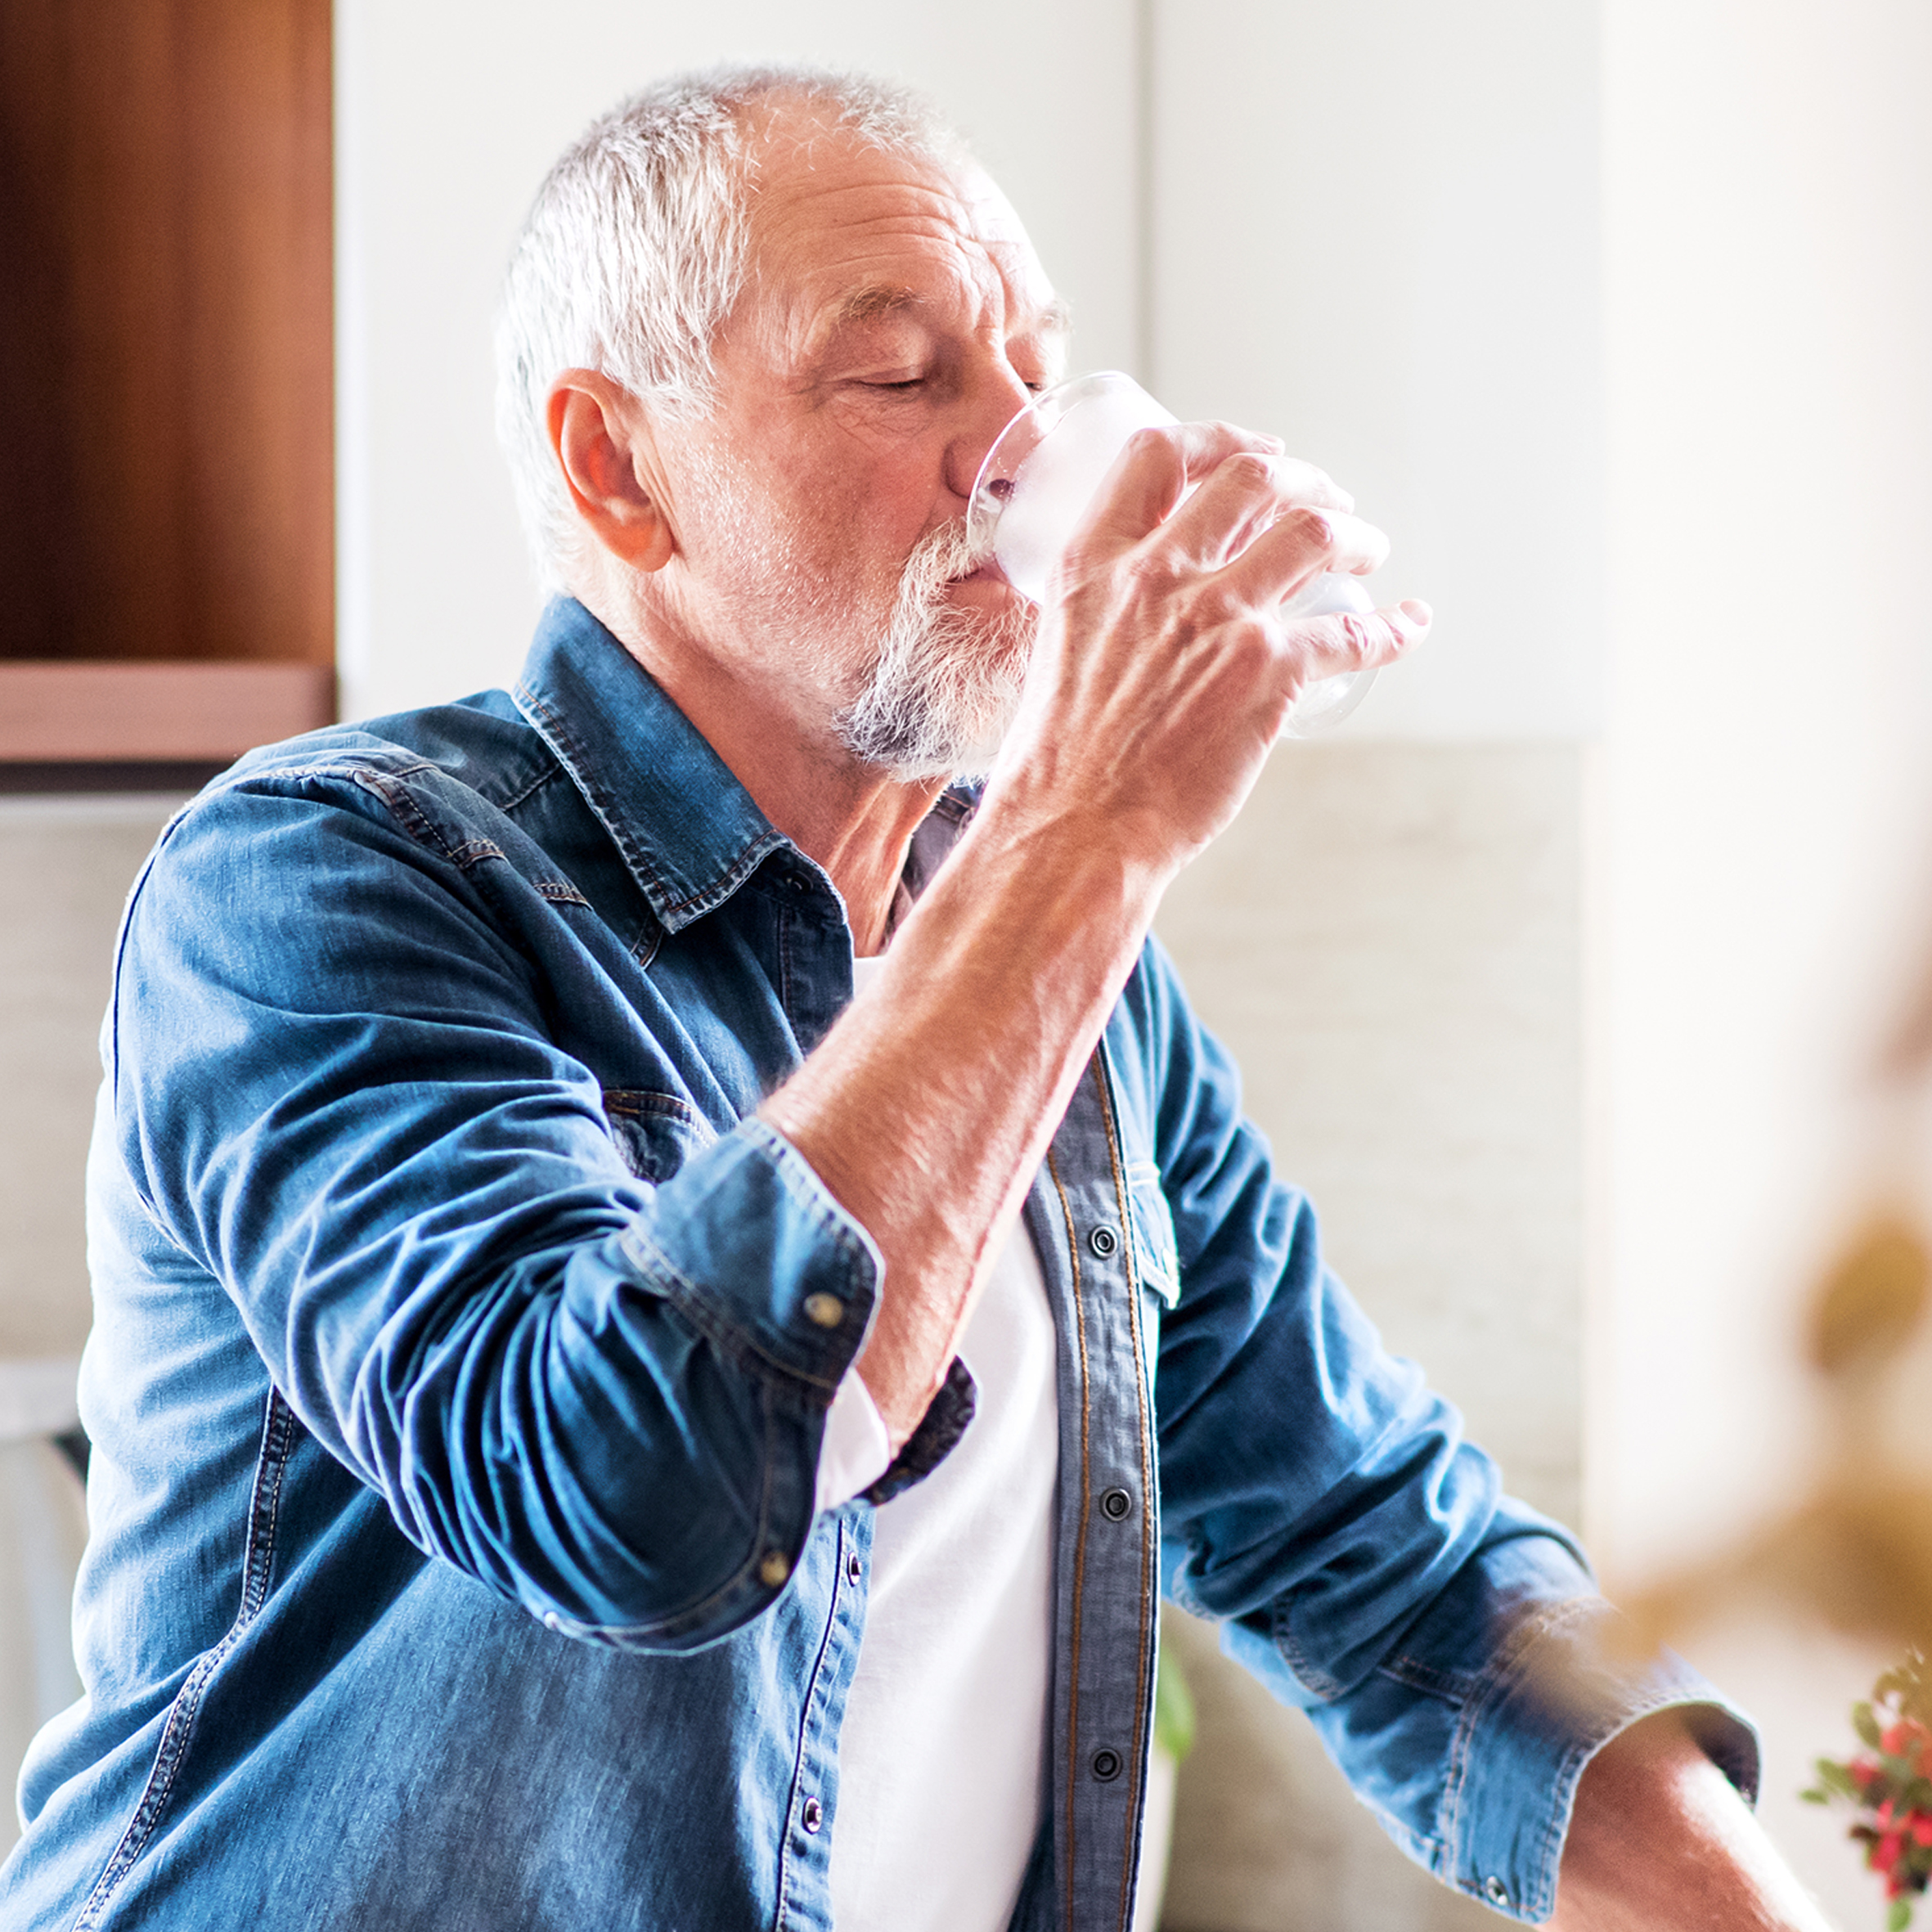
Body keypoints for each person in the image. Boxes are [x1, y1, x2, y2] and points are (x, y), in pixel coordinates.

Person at [1, 64, 1828, 1932]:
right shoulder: (328, 880)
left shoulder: (1057, 956)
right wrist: (1089, 820)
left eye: (1032, 369)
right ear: (613, 468)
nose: (1018, 454)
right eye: (900, 376)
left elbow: (1381, 1554)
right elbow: (627, 1494)